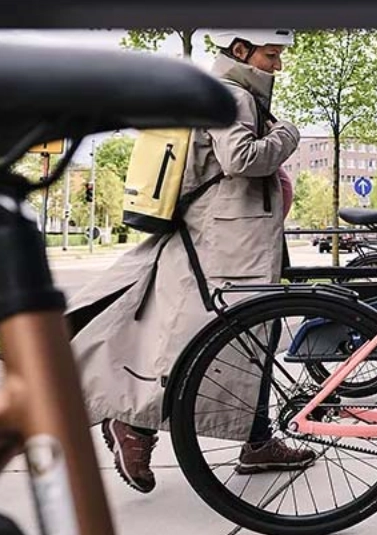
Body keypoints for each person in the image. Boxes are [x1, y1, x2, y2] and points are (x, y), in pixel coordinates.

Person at [67, 27, 313, 494]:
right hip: (225, 243)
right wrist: (288, 135)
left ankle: (256, 439)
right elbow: (240, 158)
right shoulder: (231, 95)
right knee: (202, 340)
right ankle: (133, 427)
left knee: (254, 333)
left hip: (236, 238)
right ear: (240, 51)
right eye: (271, 55)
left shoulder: (231, 93)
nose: (277, 65)